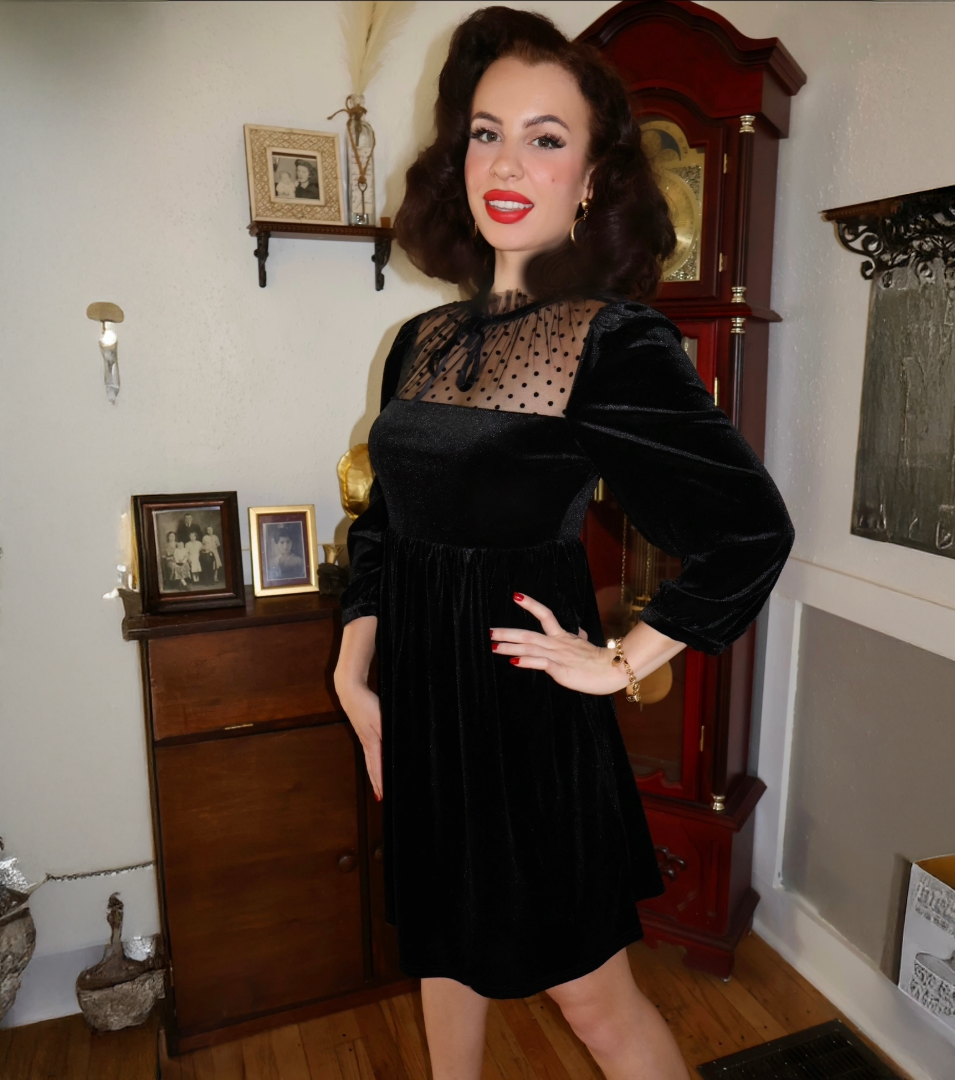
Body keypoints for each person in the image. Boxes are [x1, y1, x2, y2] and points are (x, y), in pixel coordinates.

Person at [333, 9, 794, 1080]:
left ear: (591, 178)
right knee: (442, 953)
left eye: (546, 138)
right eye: (486, 132)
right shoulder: (420, 340)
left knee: (595, 1004)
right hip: (421, 701)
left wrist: (625, 659)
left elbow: (750, 529)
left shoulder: (609, 340)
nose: (507, 163)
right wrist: (356, 670)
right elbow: (387, 521)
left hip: (523, 718)